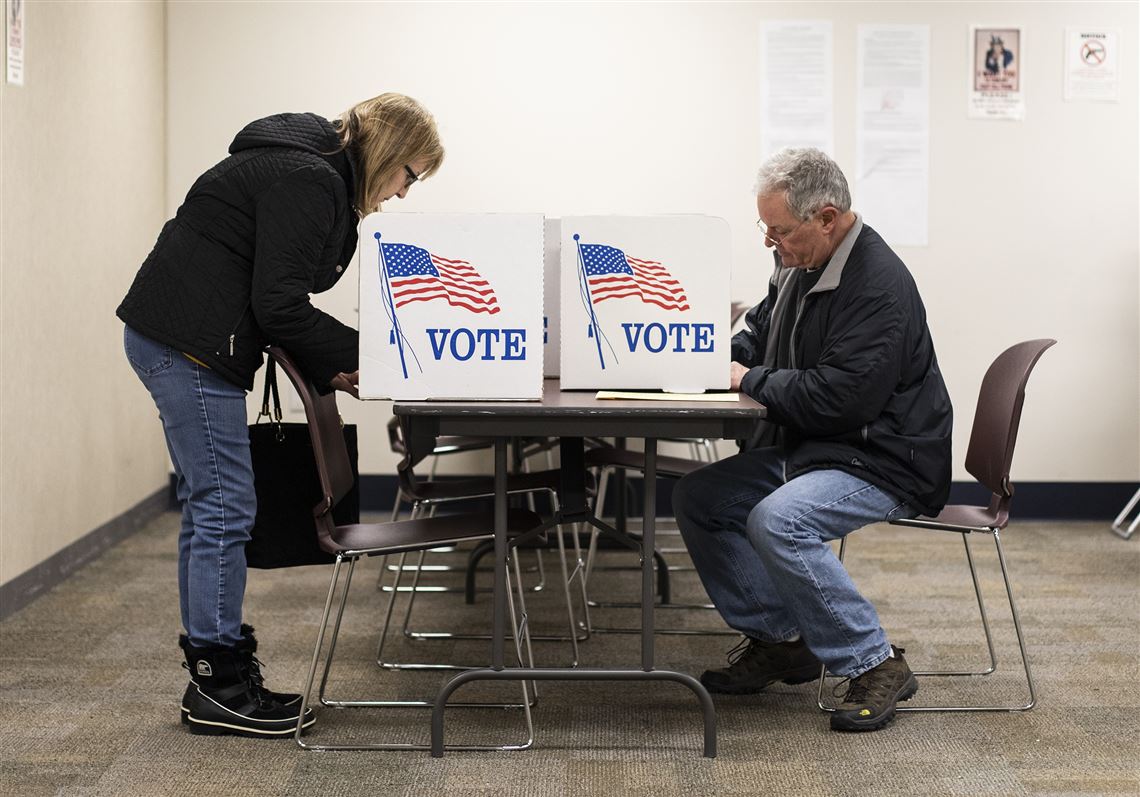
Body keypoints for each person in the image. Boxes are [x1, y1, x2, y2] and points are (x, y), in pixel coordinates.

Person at [117, 93, 444, 738]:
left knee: (213, 503)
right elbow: (279, 304)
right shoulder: (310, 177)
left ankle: (215, 676)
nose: (406, 191)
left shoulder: (307, 167)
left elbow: (275, 295)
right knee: (223, 505)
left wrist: (335, 366)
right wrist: (371, 359)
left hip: (186, 339)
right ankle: (221, 684)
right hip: (188, 347)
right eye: (410, 172)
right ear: (388, 151)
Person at [673, 147, 953, 732]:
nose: (771, 243)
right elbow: (761, 334)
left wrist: (747, 380)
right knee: (700, 499)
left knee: (779, 520)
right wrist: (710, 359)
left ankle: (876, 662)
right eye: (766, 229)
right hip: (824, 450)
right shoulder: (801, 265)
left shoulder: (878, 287)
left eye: (780, 231)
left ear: (827, 218)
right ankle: (783, 641)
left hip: (884, 460)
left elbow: (839, 398)